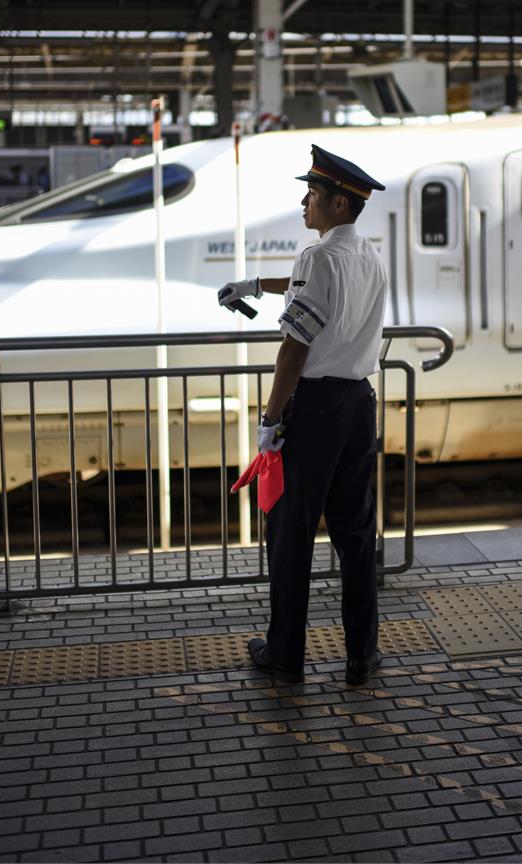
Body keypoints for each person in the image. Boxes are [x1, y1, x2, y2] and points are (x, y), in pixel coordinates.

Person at [218, 144, 388, 685]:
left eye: (313, 194)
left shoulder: (318, 259)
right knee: (355, 532)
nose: (303, 201)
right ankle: (362, 653)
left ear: (339, 204)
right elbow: (315, 294)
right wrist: (254, 286)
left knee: (291, 535)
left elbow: (294, 346)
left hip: (312, 411)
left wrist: (271, 421)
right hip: (359, 405)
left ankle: (285, 654)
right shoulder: (368, 255)